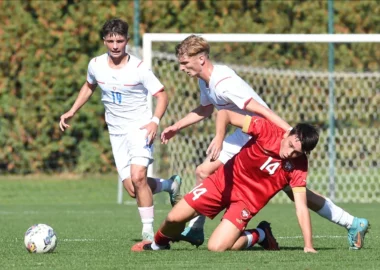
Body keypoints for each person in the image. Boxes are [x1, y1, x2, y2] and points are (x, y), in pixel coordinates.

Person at [160, 34, 369, 250]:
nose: (182, 68)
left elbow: (262, 110)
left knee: (293, 192)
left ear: (201, 59)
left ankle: (199, 228)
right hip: (245, 135)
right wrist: (177, 126)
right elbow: (206, 109)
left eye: (185, 63)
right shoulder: (206, 82)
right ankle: (352, 222)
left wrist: (287, 131)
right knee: (205, 172)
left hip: (258, 137)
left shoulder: (224, 83)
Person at [59, 19, 182, 241]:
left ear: (126, 40)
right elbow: (89, 86)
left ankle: (148, 233)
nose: (115, 46)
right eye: (110, 41)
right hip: (116, 133)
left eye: (120, 40)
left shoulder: (139, 68)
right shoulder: (95, 64)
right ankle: (170, 185)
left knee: (138, 176)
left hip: (140, 128)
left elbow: (161, 95)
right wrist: (72, 110)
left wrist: (154, 121)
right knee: (134, 189)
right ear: (104, 41)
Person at [132, 110, 319, 253]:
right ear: (288, 134)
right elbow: (225, 113)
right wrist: (219, 137)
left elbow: (301, 206)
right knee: (174, 218)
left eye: (297, 152)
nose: (290, 153)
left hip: (246, 202)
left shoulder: (299, 165)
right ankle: (157, 245)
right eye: (291, 146)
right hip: (222, 183)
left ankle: (260, 234)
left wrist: (308, 245)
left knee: (217, 247)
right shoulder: (266, 129)